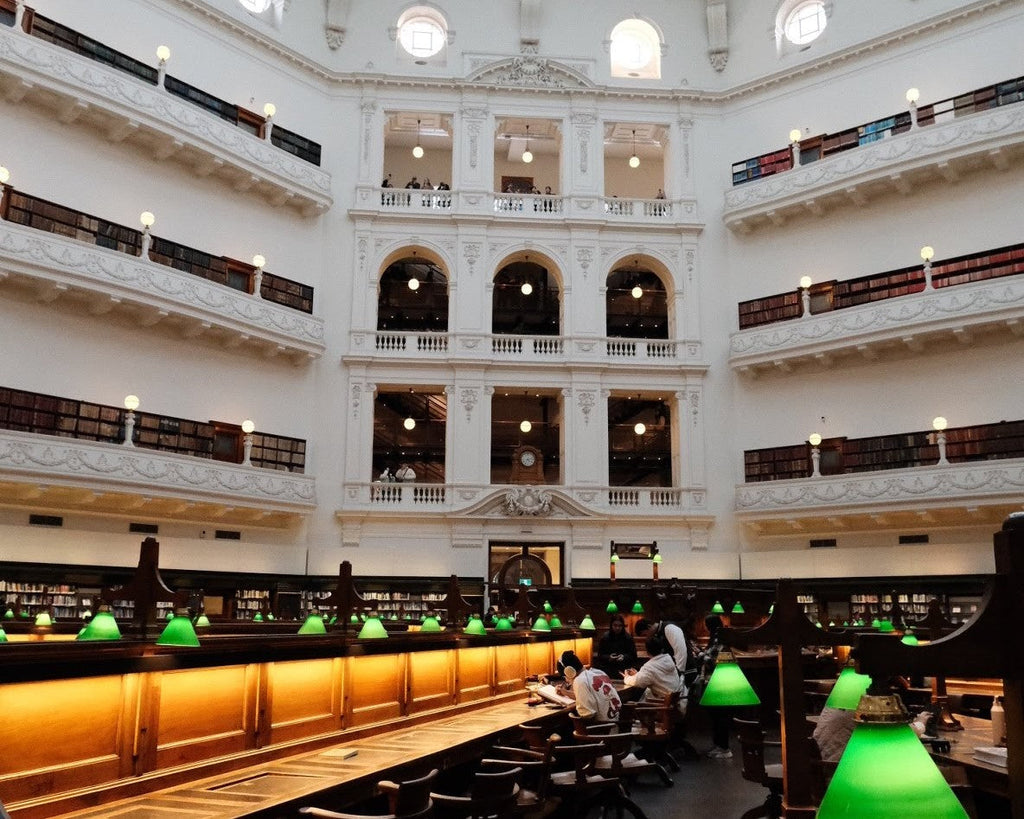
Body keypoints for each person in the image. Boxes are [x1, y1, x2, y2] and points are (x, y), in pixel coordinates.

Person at [694, 614, 732, 759]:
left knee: (720, 715)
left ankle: (724, 747)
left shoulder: (719, 638)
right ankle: (720, 745)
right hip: (717, 682)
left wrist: (700, 654)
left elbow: (715, 660)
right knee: (717, 715)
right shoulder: (720, 636)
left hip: (718, 682)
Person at [622, 634, 686, 713]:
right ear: (662, 649)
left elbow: (638, 682)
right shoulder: (668, 660)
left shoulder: (650, 668)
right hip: (677, 706)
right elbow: (652, 676)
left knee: (627, 706)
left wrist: (627, 677)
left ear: (647, 652)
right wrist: (637, 674)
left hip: (663, 708)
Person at [559, 650, 621, 722]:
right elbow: (591, 696)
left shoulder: (579, 681)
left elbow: (588, 714)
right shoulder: (598, 672)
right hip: (616, 724)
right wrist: (565, 692)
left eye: (565, 677)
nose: (566, 681)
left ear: (569, 672)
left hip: (603, 729)